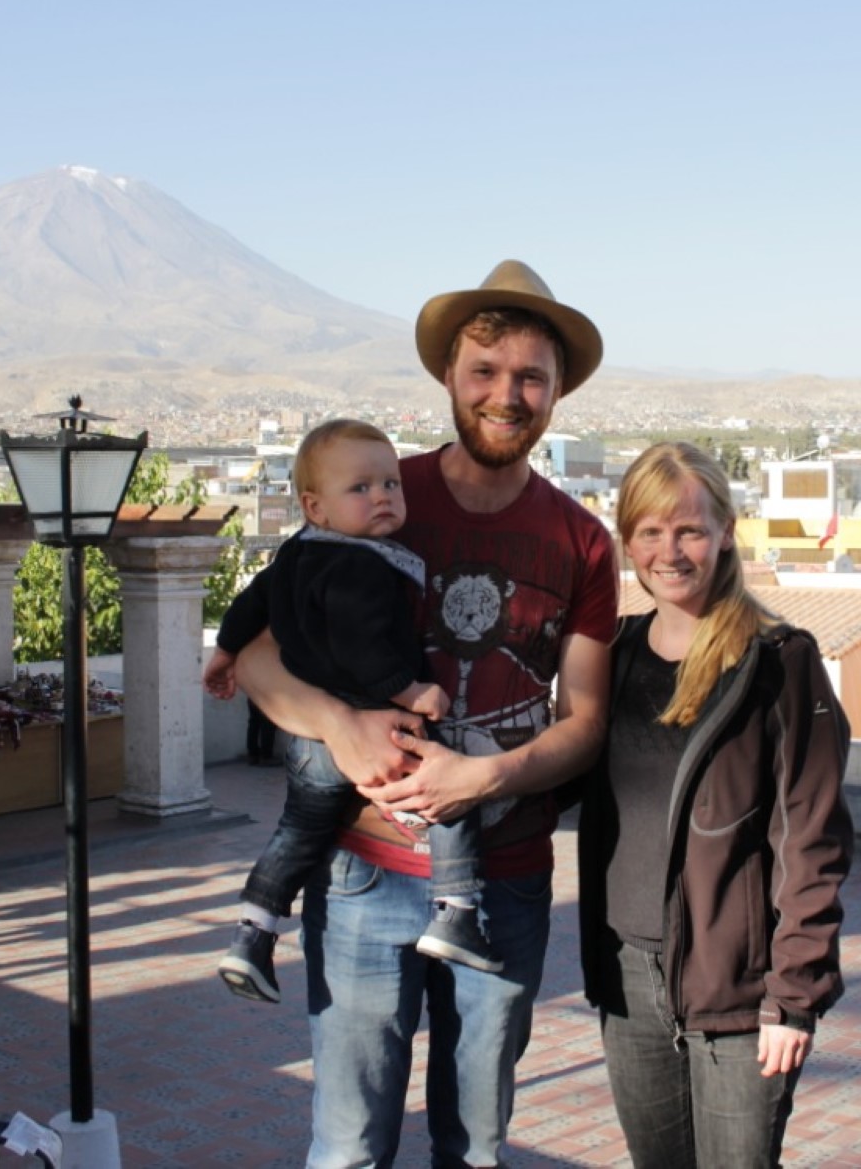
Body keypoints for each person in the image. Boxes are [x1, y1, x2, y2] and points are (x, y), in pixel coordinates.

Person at [231, 259, 617, 1169]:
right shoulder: (371, 490)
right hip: (366, 870)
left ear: (557, 391)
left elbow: (587, 719)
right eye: (485, 371)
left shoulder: (581, 541)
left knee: (474, 1146)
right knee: (349, 1144)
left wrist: (488, 775)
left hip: (506, 879)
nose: (506, 394)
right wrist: (339, 723)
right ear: (449, 376)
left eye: (531, 375)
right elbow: (254, 653)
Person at [580, 442, 853, 1169]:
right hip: (628, 978)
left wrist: (794, 997)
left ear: (726, 530)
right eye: (649, 531)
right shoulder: (614, 656)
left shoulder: (779, 661)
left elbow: (813, 838)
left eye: (690, 530)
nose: (670, 551)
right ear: (626, 538)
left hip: (739, 987)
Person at [204, 418, 490, 1005]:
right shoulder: (363, 566)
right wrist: (409, 691)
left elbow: (248, 604)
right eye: (361, 489)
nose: (383, 496)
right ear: (316, 506)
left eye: (391, 484)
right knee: (453, 794)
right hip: (375, 722)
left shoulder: (295, 554)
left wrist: (225, 653)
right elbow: (363, 647)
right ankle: (456, 911)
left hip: (309, 745)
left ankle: (252, 932)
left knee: (299, 832)